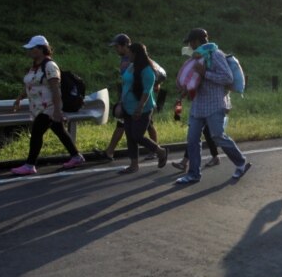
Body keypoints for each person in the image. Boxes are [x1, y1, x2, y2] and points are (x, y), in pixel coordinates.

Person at [175, 28, 251, 185]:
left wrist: (205, 73)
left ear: (196, 41)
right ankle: (193, 174)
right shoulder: (196, 57)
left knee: (217, 136)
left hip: (215, 103)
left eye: (190, 42)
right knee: (192, 138)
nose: (189, 45)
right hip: (199, 104)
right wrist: (186, 90)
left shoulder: (216, 54)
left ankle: (241, 163)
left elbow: (227, 77)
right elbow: (195, 78)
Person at [10, 35, 84, 175]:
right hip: (38, 108)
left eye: (32, 48)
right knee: (60, 131)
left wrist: (57, 110)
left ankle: (30, 165)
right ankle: (76, 156)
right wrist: (20, 97)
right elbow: (31, 84)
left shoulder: (50, 66)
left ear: (40, 49)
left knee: (36, 133)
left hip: (48, 108)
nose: (30, 51)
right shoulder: (34, 67)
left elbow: (55, 89)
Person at [116, 42, 170, 173]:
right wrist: (120, 102)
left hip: (142, 109)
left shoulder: (147, 71)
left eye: (129, 52)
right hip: (127, 107)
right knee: (129, 135)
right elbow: (125, 85)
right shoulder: (131, 67)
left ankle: (160, 151)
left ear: (135, 53)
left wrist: (139, 108)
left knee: (137, 135)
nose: (127, 55)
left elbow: (147, 91)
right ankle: (134, 165)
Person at [102, 34, 133, 160]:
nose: (116, 49)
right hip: (127, 97)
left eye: (117, 47)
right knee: (122, 125)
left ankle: (157, 150)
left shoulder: (133, 58)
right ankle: (109, 151)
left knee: (140, 129)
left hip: (134, 99)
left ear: (125, 45)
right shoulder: (124, 59)